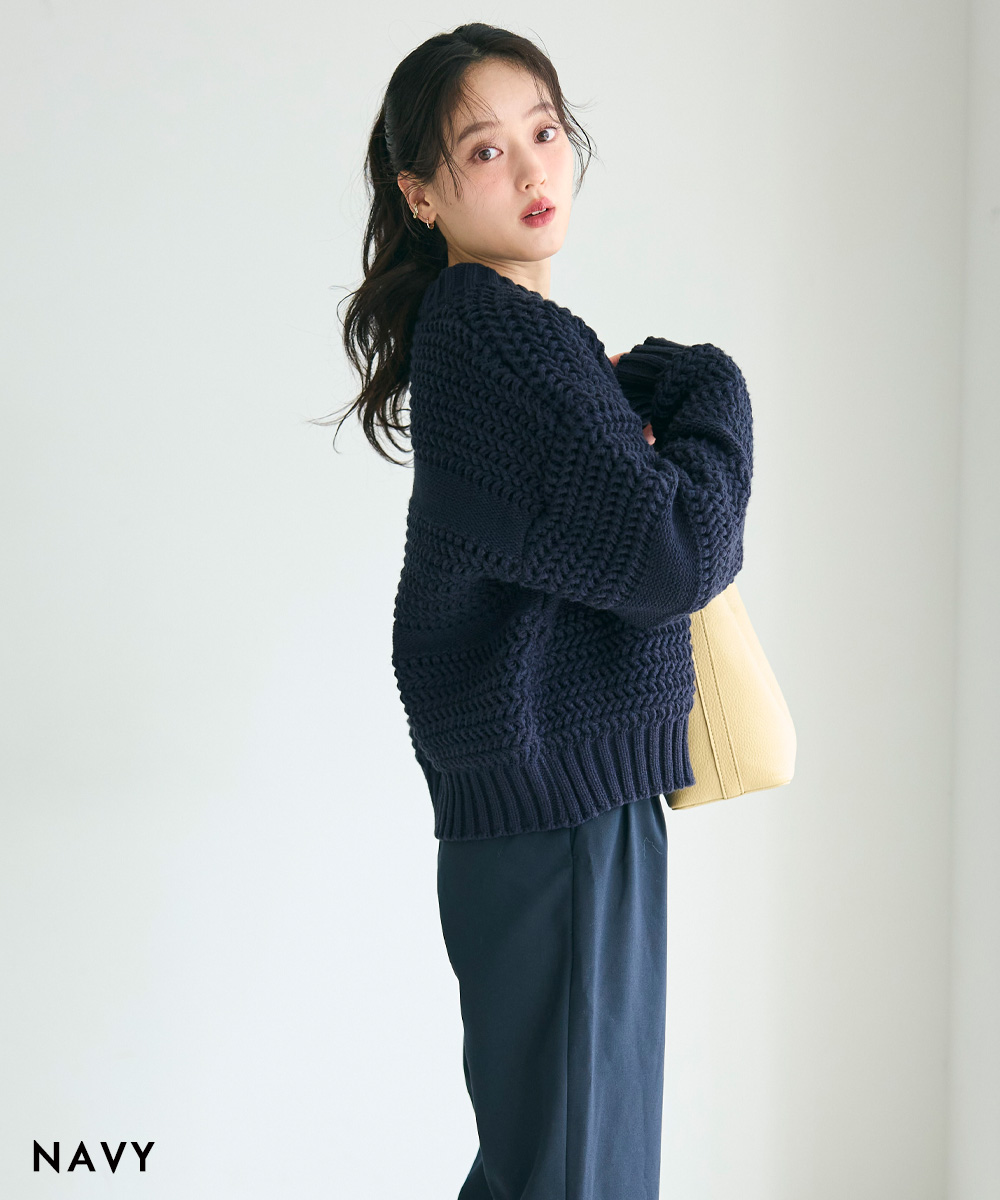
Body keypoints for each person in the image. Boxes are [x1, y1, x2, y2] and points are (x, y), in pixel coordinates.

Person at [316, 22, 754, 1200]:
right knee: (573, 1173)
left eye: (545, 132)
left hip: (559, 801)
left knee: (565, 1164)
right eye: (483, 150)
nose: (529, 168)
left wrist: (632, 390)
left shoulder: (511, 342)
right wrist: (705, 384)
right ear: (420, 194)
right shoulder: (500, 343)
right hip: (562, 813)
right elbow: (674, 556)